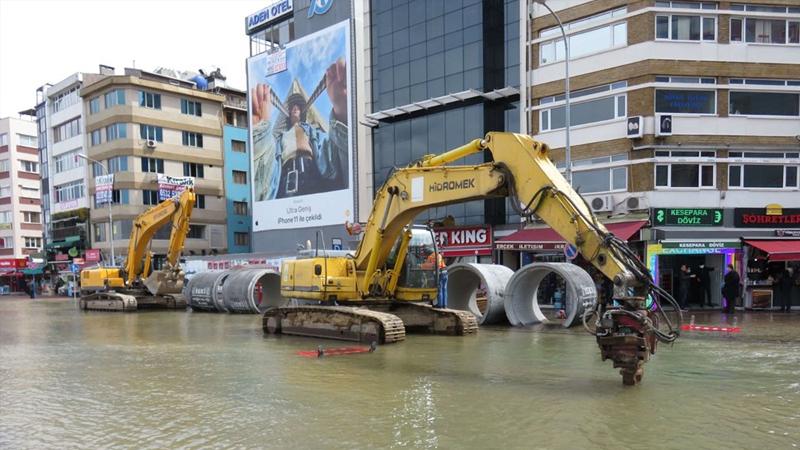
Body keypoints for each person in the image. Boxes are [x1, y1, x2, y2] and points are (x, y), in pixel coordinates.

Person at [251, 59, 349, 201]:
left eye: (298, 107)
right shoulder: (281, 137)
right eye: (292, 108)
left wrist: (340, 113)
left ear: (302, 112)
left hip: (313, 176)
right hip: (284, 181)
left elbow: (330, 150)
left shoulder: (313, 131)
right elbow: (269, 169)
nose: (295, 109)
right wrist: (260, 133)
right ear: (289, 113)